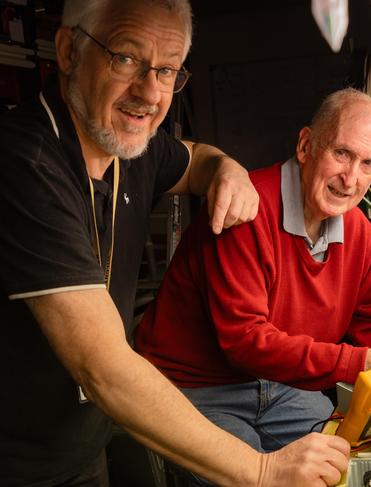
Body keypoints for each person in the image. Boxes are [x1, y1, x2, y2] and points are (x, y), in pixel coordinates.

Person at [0, 1, 350, 486]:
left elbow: (195, 159)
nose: (148, 92)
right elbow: (103, 367)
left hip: (83, 442)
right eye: (125, 58)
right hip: (19, 460)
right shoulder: (28, 162)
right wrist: (262, 470)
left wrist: (226, 168)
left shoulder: (129, 146)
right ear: (67, 51)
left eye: (166, 70)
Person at [135, 88, 371, 462]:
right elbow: (246, 343)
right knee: (255, 477)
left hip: (278, 386)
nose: (350, 179)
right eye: (341, 153)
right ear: (306, 145)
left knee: (350, 460)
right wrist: (364, 361)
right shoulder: (247, 212)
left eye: (367, 164)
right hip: (193, 386)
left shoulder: (358, 231)